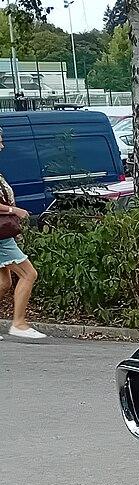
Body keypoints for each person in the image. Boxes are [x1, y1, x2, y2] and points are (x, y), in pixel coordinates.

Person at [0, 127, 44, 340]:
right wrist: (13, 210)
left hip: (3, 234)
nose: (2, 145)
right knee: (29, 274)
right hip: (0, 236)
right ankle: (18, 323)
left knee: (4, 282)